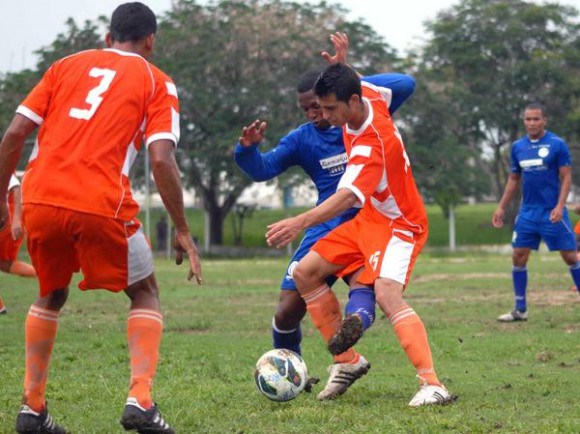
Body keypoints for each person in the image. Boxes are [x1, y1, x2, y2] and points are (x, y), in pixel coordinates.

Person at [0, 3, 202, 433]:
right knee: (145, 290)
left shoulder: (64, 66)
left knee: (50, 293)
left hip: (38, 199)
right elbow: (162, 159)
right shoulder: (156, 80)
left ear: (109, 36)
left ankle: (32, 408)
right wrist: (182, 229)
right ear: (150, 40)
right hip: (99, 201)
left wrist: (2, 199)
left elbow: (15, 133)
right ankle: (141, 401)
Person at [265, 32, 455, 406]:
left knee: (386, 293)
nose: (325, 117)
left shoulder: (372, 143)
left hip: (401, 223)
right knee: (305, 271)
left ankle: (433, 384)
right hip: (370, 218)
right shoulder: (368, 95)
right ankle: (347, 362)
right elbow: (365, 84)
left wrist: (298, 222)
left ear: (352, 102)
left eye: (331, 110)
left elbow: (346, 197)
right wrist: (342, 66)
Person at [234, 41, 415, 363]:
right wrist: (248, 150)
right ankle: (292, 369)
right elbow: (263, 169)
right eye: (307, 108)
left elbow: (405, 84)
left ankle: (348, 359)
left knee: (364, 286)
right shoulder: (302, 138)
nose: (315, 114)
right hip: (325, 224)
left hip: (368, 221)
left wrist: (348, 75)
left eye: (319, 106)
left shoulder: (360, 118)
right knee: (288, 309)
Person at [492, 102, 579, 322]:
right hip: (528, 213)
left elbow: (566, 177)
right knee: (518, 256)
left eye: (536, 119)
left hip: (552, 211)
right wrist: (501, 206)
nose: (532, 123)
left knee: (570, 256)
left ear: (544, 120)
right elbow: (514, 179)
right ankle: (520, 310)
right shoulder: (517, 147)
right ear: (524, 121)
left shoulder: (557, 144)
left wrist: (560, 206)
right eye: (528, 119)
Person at [0, 174, 37, 314]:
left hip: (6, 222)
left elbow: (15, 186)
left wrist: (16, 219)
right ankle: (46, 275)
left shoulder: (3, 162)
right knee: (4, 264)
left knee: (5, 263)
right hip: (6, 221)